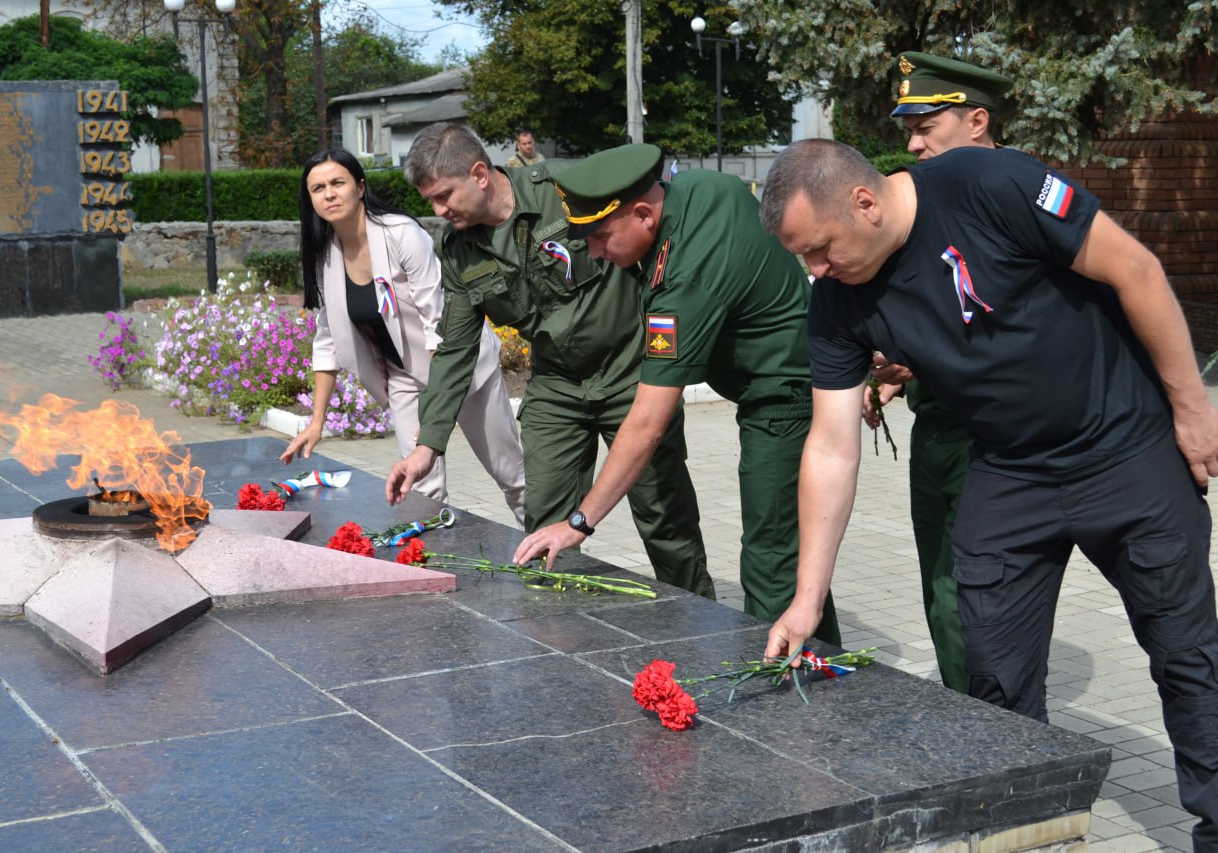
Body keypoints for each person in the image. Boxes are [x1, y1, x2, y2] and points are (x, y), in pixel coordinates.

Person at [759, 137, 1218, 846]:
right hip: (1010, 472)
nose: (815, 269)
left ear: (864, 201)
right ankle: (1033, 833)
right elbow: (831, 443)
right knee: (995, 682)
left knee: (1189, 661)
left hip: (1127, 449)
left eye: (819, 249)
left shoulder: (988, 184)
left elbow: (1137, 268)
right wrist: (807, 597)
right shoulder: (837, 303)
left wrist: (1192, 410)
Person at [512, 143, 839, 638]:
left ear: (643, 214)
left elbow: (646, 424)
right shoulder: (700, 189)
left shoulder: (683, 281)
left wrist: (579, 522)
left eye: (600, 236)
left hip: (783, 399)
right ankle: (829, 668)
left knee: (771, 562)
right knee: (792, 555)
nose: (595, 253)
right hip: (802, 377)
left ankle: (792, 702)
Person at [384, 123, 713, 598]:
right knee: (546, 528)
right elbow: (456, 349)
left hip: (631, 377)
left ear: (479, 174)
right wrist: (426, 446)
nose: (437, 211)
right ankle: (559, 638)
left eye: (443, 196)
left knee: (666, 521)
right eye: (430, 201)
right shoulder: (459, 252)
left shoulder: (568, 190)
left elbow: (649, 242)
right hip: (557, 389)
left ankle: (700, 625)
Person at [864, 51, 1015, 694]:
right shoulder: (922, 204)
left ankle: (997, 733)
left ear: (977, 120)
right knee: (939, 588)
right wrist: (900, 370)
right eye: (909, 127)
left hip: (997, 438)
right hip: (936, 429)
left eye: (926, 126)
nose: (913, 142)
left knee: (973, 597)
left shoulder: (1018, 199)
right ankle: (968, 720)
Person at [282, 147, 526, 525]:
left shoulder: (401, 234)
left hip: (459, 370)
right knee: (422, 487)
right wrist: (316, 422)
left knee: (512, 477)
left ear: (360, 187)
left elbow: (437, 323)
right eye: (317, 188)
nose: (328, 194)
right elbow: (327, 340)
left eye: (337, 183)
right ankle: (432, 570)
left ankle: (556, 557)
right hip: (402, 379)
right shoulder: (324, 256)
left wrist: (437, 408)